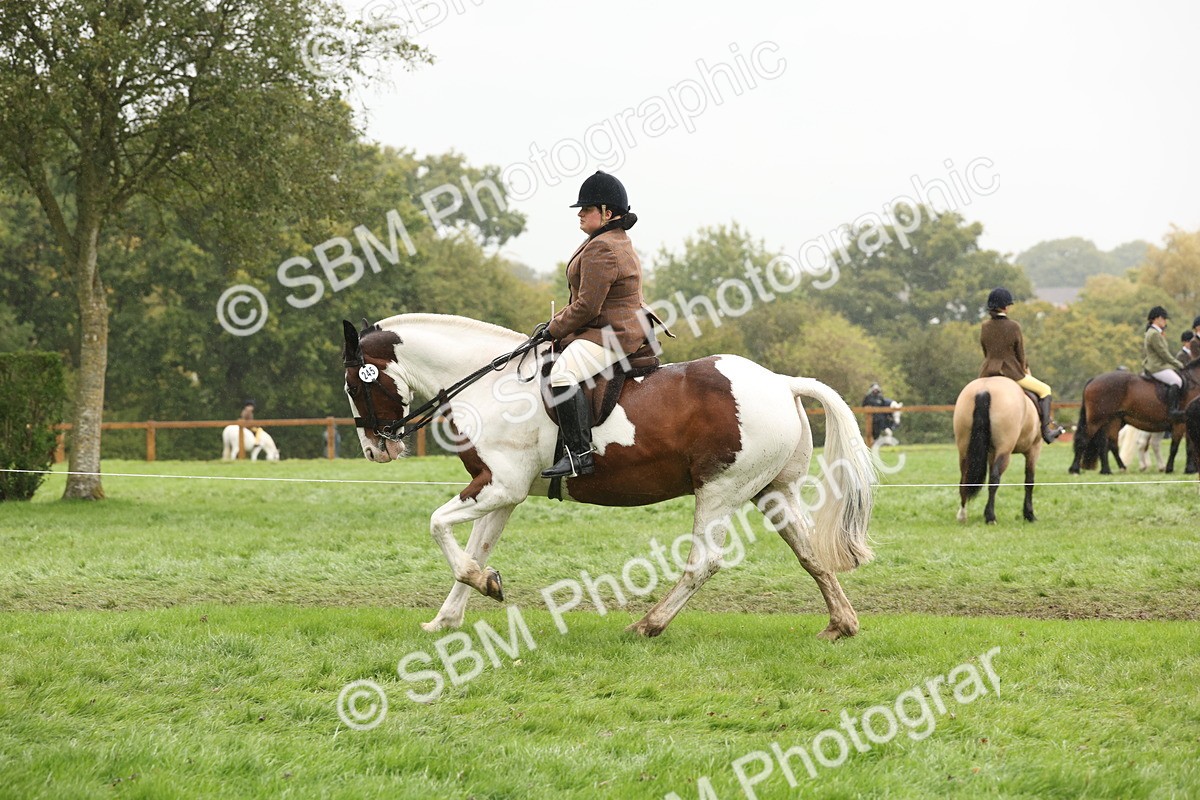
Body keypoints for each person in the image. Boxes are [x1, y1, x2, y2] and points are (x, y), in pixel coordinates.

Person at [535, 171, 659, 478]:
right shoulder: (607, 240)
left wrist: (554, 328)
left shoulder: (603, 247)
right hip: (605, 328)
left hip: (613, 334)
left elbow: (587, 306)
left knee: (563, 374)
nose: (579, 213)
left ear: (607, 213)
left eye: (587, 209)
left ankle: (580, 454)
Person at [978, 287, 1064, 443]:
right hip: (1011, 372)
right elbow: (1020, 353)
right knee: (1045, 390)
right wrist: (1023, 367)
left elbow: (986, 350)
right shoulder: (1013, 326)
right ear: (1005, 306)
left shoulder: (985, 326)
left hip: (987, 371)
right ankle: (1046, 431)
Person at [1143, 306, 1185, 421]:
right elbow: (1164, 354)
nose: (1165, 322)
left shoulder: (1153, 332)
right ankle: (1172, 410)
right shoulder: (1154, 334)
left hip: (1158, 365)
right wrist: (1179, 364)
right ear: (1158, 318)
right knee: (1177, 381)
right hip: (1157, 367)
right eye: (1164, 319)